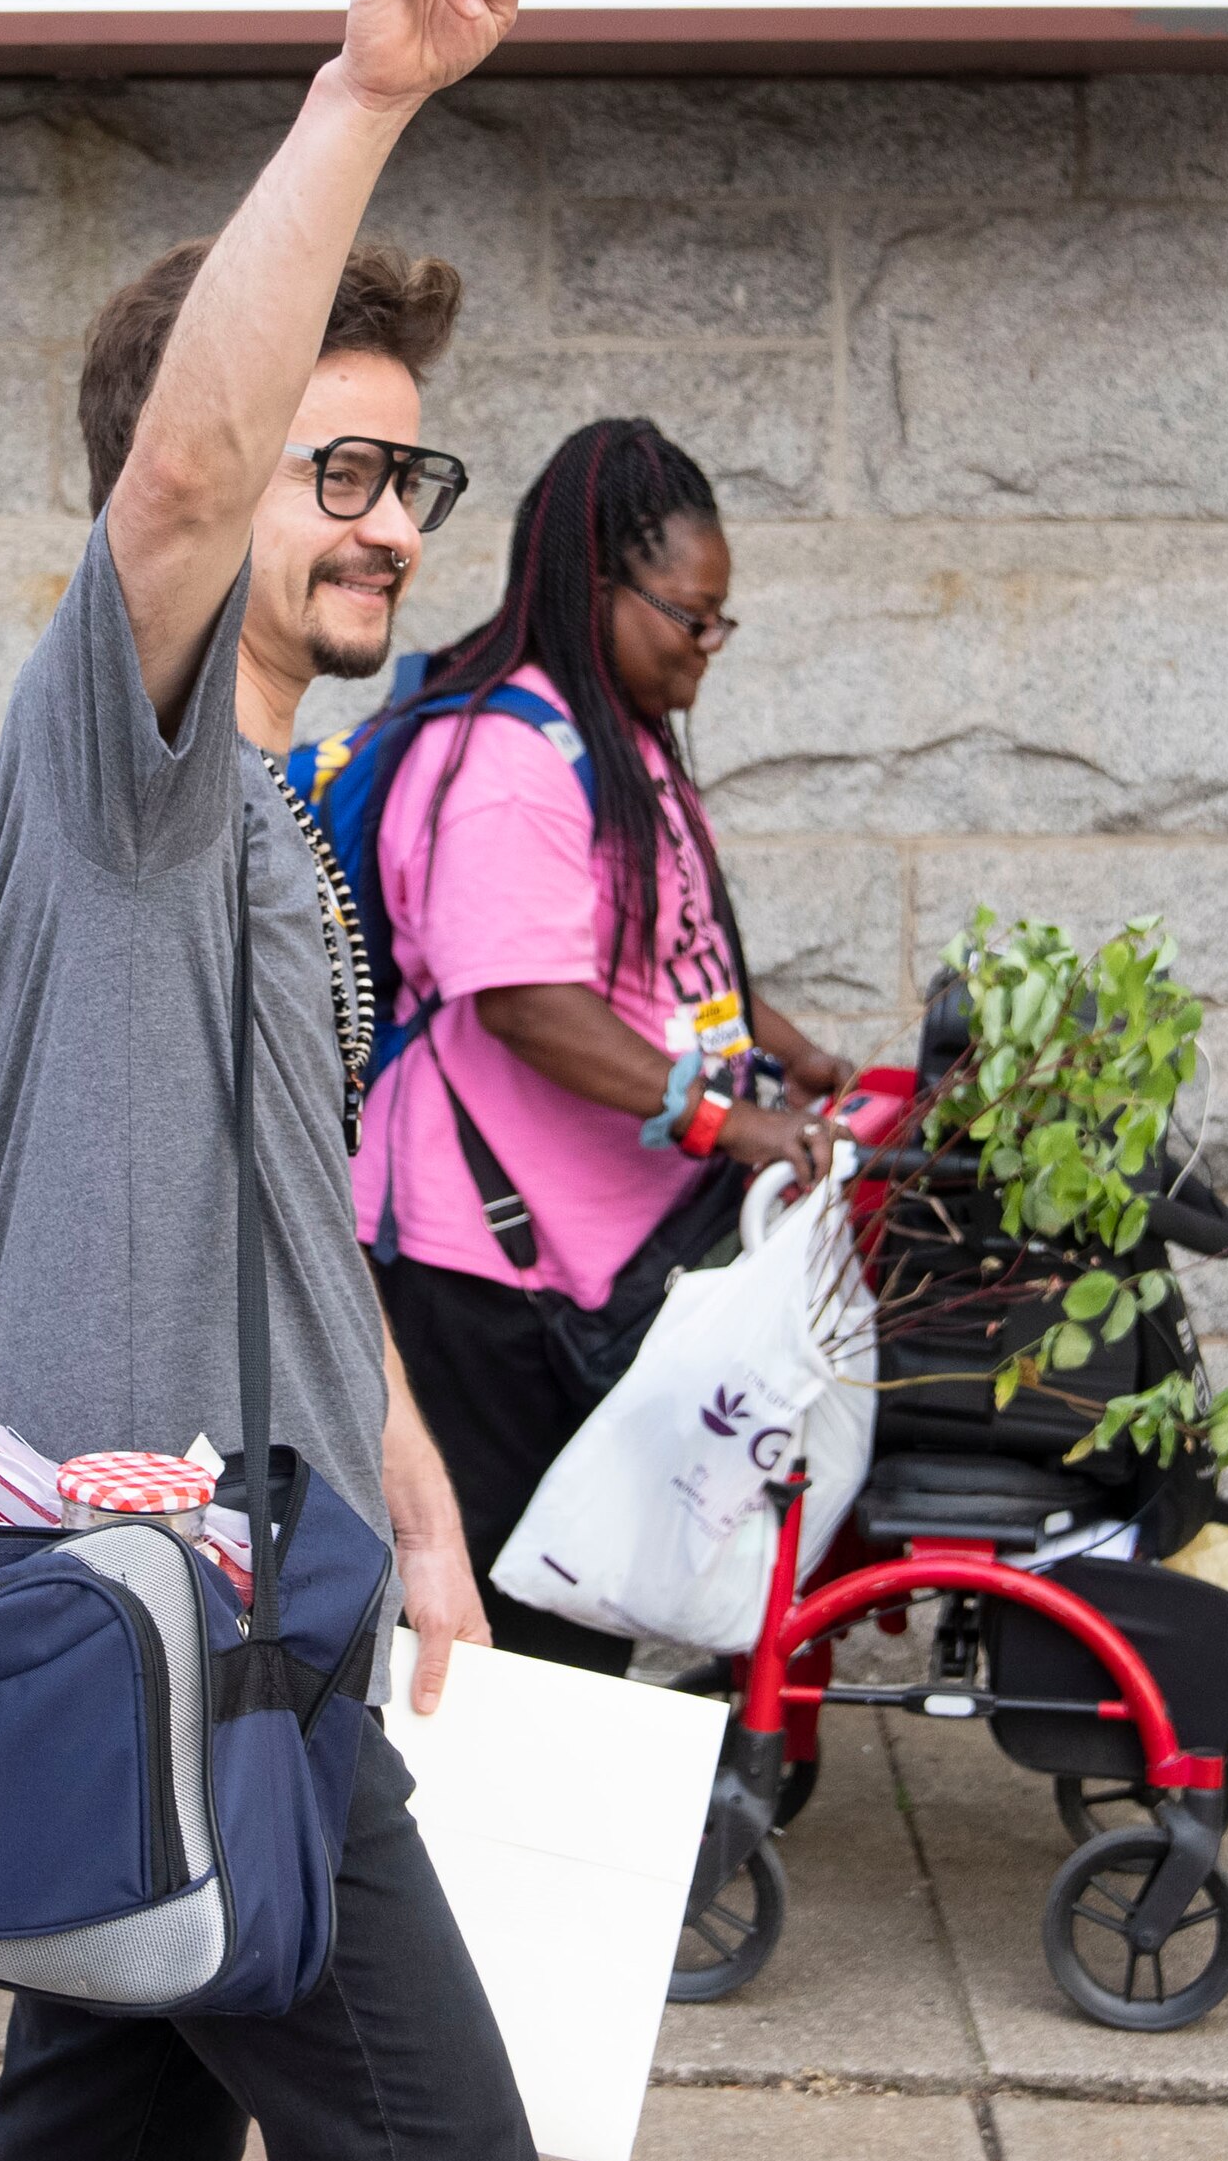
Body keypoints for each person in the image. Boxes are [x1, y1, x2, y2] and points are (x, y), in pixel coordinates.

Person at [0, 0, 554, 2161]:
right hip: (187, 1650)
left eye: (414, 480)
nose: (386, 523)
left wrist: (419, 1507)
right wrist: (371, 89)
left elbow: (295, 1219)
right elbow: (193, 466)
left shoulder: (280, 836)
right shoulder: (128, 758)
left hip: (218, 1610)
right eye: (339, 474)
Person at [345, 417, 852, 1672]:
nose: (706, 648)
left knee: (580, 1613)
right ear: (599, 585)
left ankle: (539, 1855)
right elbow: (523, 997)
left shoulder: (617, 737)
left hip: (593, 1258)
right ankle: (470, 1867)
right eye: (691, 616)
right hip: (486, 1278)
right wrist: (732, 1123)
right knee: (510, 1632)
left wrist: (789, 1057)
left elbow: (668, 967)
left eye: (718, 619)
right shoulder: (508, 755)